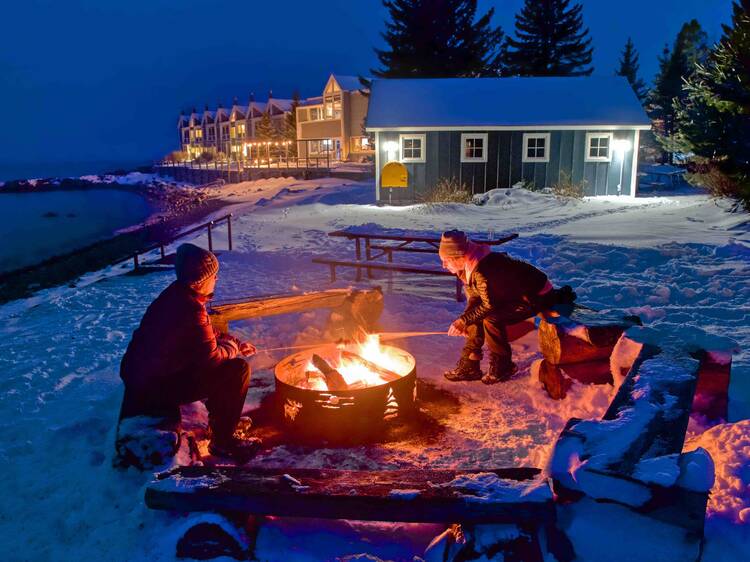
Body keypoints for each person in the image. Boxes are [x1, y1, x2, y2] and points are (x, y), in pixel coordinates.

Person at [119, 243, 260, 462]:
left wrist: (235, 342)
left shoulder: (178, 296)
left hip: (146, 382)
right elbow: (211, 359)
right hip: (152, 392)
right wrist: (233, 350)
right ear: (201, 280)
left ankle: (222, 421)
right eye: (214, 276)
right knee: (236, 370)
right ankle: (222, 440)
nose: (217, 280)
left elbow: (204, 334)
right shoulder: (190, 308)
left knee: (226, 366)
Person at [439, 230, 575, 385]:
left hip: (534, 296)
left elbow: (489, 305)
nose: (444, 265)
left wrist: (464, 320)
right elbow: (476, 299)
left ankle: (504, 366)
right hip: (509, 295)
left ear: (460, 256)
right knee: (473, 316)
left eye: (447, 260)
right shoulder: (466, 268)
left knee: (491, 318)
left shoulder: (483, 271)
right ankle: (471, 364)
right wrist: (464, 320)